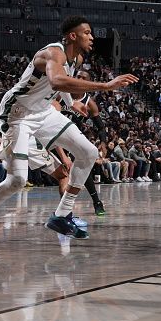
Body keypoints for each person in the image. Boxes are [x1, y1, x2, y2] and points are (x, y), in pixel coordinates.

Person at [0, 15, 138, 251]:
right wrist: (105, 86)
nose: (92, 37)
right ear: (73, 35)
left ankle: (62, 215)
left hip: (42, 112)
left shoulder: (77, 58)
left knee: (88, 152)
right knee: (17, 180)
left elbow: (65, 82)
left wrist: (70, 104)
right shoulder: (53, 52)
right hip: (17, 114)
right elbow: (58, 80)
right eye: (87, 33)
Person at [56, 68, 107, 215]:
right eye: (78, 76)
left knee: (82, 166)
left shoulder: (89, 103)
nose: (81, 79)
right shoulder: (62, 94)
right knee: (64, 174)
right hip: (55, 135)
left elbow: (101, 127)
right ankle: (65, 212)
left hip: (72, 137)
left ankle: (96, 201)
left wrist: (103, 142)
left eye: (84, 78)